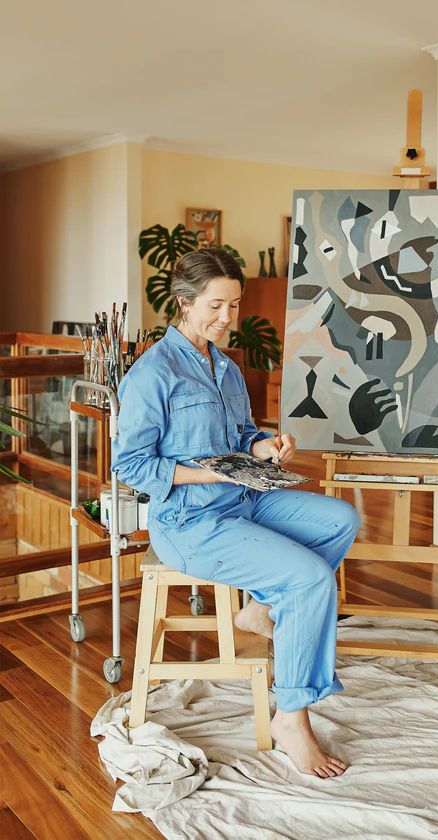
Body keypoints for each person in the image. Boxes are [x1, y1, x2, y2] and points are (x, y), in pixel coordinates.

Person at [113, 249, 361, 778]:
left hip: (244, 498)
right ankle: (291, 716)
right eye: (216, 306)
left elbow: (241, 436)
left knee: (340, 520)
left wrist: (265, 446)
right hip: (190, 523)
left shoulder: (224, 366)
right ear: (184, 303)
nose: (228, 318)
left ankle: (260, 611)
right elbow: (131, 465)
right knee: (310, 579)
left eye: (234, 305)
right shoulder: (152, 373)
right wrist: (210, 475)